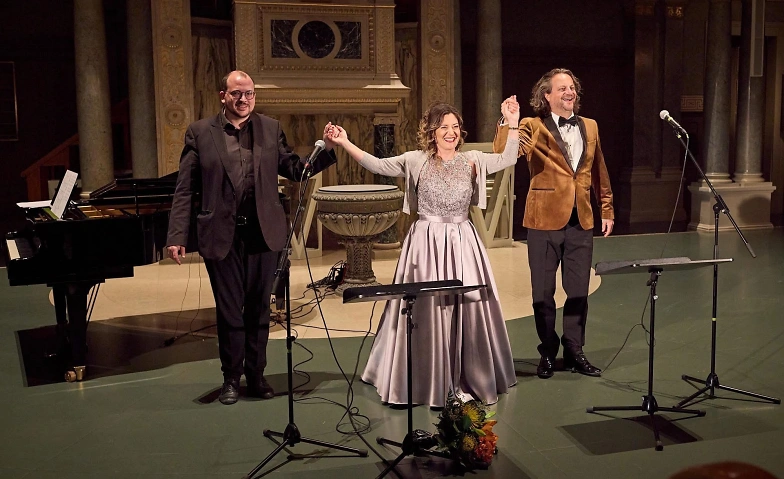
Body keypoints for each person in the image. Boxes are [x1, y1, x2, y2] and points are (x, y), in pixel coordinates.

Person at [327, 99, 521, 408]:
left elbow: (509, 158)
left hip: (462, 243)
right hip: (425, 243)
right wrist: (345, 142)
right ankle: (423, 375)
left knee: (467, 306)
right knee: (424, 309)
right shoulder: (415, 160)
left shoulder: (472, 160)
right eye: (444, 127)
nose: (451, 132)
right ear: (431, 132)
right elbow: (377, 164)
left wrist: (513, 122)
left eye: (455, 127)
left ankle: (468, 370)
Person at [165, 70, 338, 405]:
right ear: (223, 96)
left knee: (259, 310)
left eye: (249, 93)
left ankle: (256, 376)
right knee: (229, 311)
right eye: (236, 94)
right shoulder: (200, 132)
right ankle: (231, 379)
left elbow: (295, 169)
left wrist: (327, 149)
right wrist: (177, 234)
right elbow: (185, 188)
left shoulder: (270, 128)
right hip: (221, 235)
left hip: (263, 233)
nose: (243, 99)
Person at [493, 68, 614, 380]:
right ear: (546, 95)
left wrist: (606, 208)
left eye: (572, 87)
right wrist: (509, 122)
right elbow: (504, 153)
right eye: (562, 88)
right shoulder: (532, 125)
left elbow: (598, 169)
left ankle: (575, 351)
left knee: (578, 291)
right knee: (543, 294)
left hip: (580, 220)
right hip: (543, 220)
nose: (569, 92)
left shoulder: (590, 125)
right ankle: (548, 351)